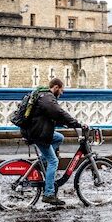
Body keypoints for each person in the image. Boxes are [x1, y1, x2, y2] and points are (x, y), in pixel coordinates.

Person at [21, 78, 85, 206]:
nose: (61, 93)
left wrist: (66, 124)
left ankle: (43, 162)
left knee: (59, 138)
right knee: (53, 161)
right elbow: (58, 112)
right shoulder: (47, 97)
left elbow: (51, 116)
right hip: (38, 133)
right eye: (61, 90)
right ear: (56, 87)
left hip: (38, 130)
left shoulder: (43, 96)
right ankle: (49, 194)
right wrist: (77, 123)